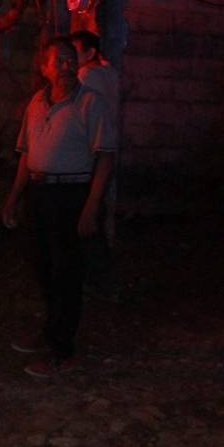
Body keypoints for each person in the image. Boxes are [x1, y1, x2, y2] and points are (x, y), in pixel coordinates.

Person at [1, 38, 116, 379]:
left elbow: (105, 158)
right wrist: (13, 197)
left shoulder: (90, 102)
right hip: (39, 193)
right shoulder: (37, 102)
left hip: (72, 194)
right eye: (59, 61)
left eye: (70, 60)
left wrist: (91, 207)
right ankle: (51, 329)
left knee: (67, 272)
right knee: (42, 267)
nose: (66, 66)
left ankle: (62, 351)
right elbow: (25, 153)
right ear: (45, 68)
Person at [70, 30, 122, 299]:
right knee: (93, 215)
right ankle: (100, 279)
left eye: (74, 52)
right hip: (105, 148)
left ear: (90, 53)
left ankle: (92, 279)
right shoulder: (110, 73)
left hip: (87, 154)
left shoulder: (86, 77)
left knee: (84, 217)